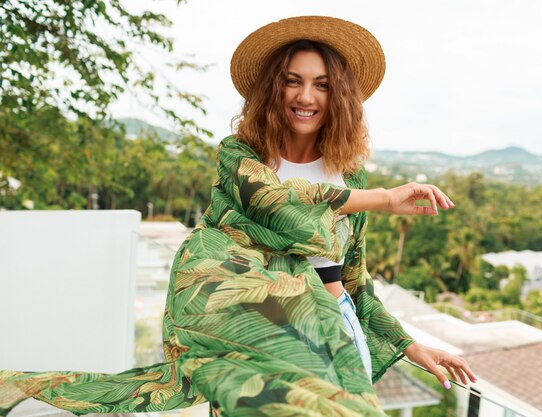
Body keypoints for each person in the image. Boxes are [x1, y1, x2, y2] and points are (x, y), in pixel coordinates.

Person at [0, 16, 476, 417]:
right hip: (252, 331)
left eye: (321, 84)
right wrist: (385, 199)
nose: (305, 96)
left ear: (340, 96)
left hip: (331, 332)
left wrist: (413, 347)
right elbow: (278, 203)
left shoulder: (352, 178)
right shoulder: (242, 154)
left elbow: (355, 284)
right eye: (293, 80)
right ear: (274, 87)